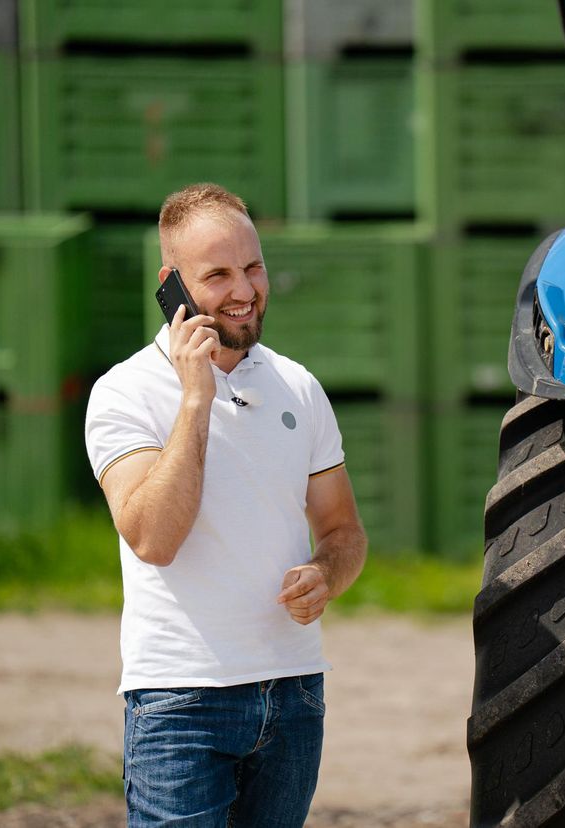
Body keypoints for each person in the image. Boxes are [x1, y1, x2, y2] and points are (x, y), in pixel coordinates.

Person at [84, 182, 367, 827]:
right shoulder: (123, 392)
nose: (244, 290)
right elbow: (153, 537)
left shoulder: (299, 386)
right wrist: (196, 398)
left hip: (295, 695)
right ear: (172, 286)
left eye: (253, 267)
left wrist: (327, 573)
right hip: (180, 703)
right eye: (217, 275)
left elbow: (343, 529)